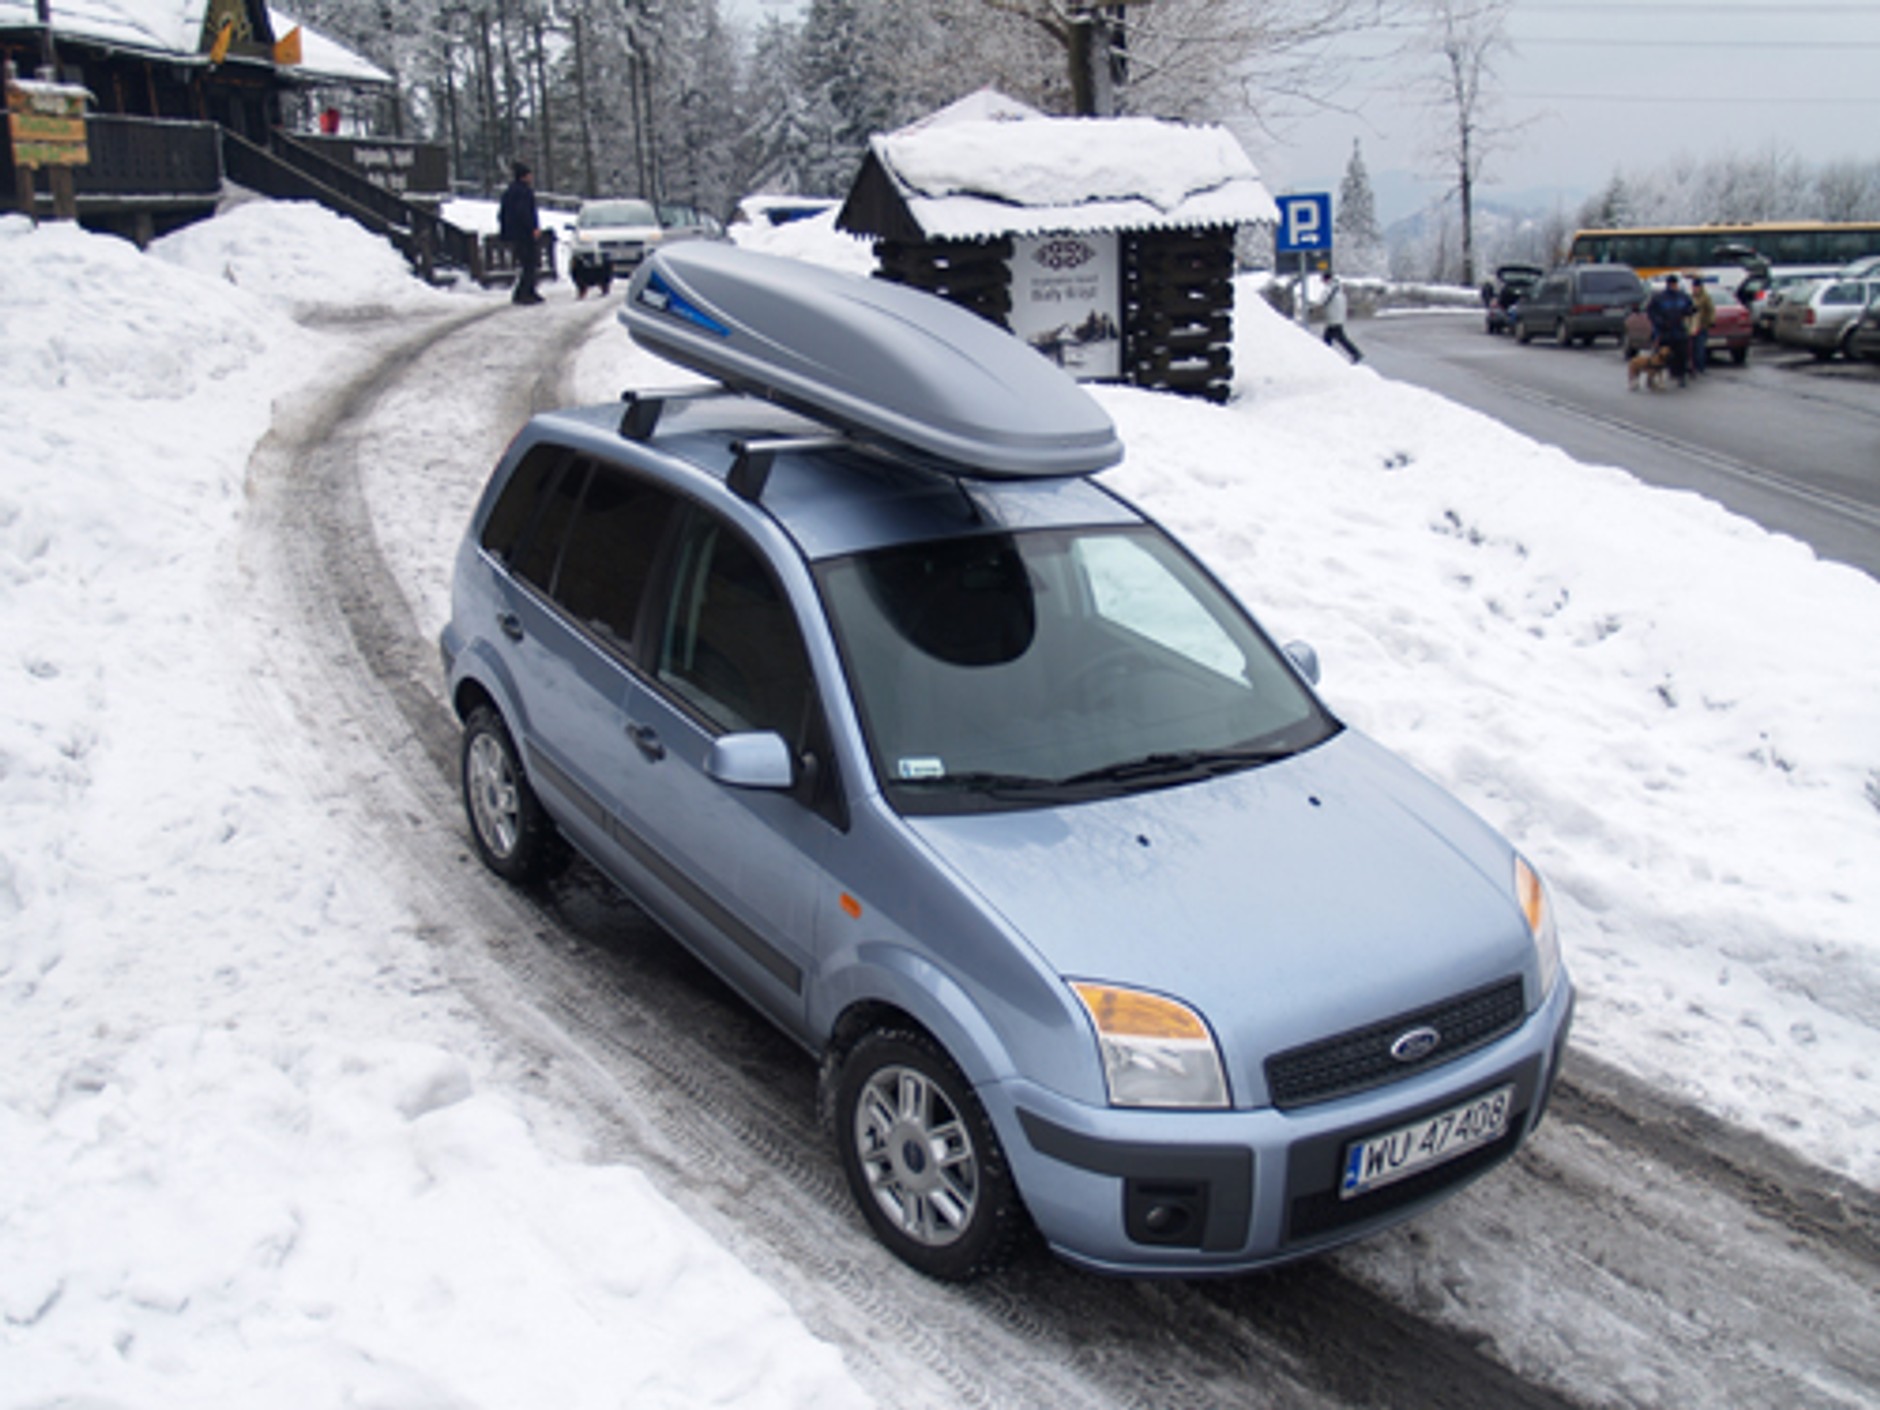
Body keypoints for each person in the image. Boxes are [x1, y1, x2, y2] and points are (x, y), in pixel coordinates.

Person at [498, 162, 543, 306]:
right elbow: (524, 213)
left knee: (527, 263)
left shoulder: (509, 192)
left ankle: (528, 291)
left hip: (514, 234)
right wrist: (533, 228)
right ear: (524, 177)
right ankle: (523, 292)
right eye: (529, 175)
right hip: (524, 234)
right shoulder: (524, 192)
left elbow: (502, 214)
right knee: (530, 263)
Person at [1645, 273, 1695, 386]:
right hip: (1664, 331)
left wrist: (1690, 311)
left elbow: (1689, 308)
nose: (1674, 286)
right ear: (1668, 284)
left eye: (1675, 284)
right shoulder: (1659, 297)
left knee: (1681, 354)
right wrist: (1659, 323)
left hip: (1679, 330)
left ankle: (1680, 376)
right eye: (1672, 284)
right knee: (1661, 356)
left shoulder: (1683, 296)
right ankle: (1654, 377)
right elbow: (1651, 312)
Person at [1318, 270, 1363, 363]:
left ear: (1326, 279)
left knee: (1339, 338)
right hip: (1337, 317)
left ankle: (1355, 353)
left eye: (1323, 279)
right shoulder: (1337, 287)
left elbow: (1322, 301)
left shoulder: (1330, 289)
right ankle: (1326, 357)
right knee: (1328, 339)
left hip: (1333, 318)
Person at [1689, 274, 1716, 376]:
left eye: (1697, 287)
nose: (1695, 289)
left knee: (1700, 348)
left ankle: (1700, 367)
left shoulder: (1705, 298)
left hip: (1702, 325)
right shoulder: (1691, 297)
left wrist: (1711, 321)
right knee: (1693, 348)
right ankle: (1694, 366)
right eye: (1694, 287)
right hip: (1692, 326)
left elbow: (1711, 310)